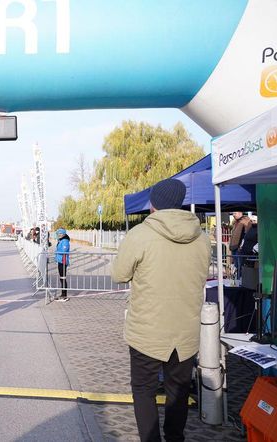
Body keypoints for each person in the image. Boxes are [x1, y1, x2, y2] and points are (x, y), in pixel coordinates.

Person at [111, 178, 210, 442]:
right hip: (186, 332)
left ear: (153, 204)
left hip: (147, 331)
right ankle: (175, 437)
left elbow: (119, 274)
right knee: (178, 391)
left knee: (143, 390)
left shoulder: (140, 234)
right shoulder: (202, 239)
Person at [54, 228, 70, 302]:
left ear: (64, 234)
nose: (59, 235)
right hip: (60, 261)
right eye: (58, 234)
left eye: (60, 234)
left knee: (63, 278)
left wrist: (56, 251)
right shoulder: (61, 240)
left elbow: (63, 251)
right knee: (61, 278)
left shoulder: (65, 241)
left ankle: (64, 295)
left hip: (63, 261)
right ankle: (63, 294)